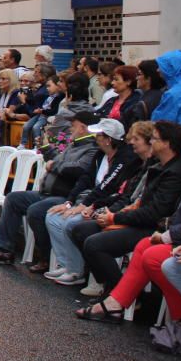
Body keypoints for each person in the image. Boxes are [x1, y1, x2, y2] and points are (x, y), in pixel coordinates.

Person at [75, 122, 181, 323]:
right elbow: (135, 199)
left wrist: (116, 217)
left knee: (145, 253)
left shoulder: (178, 172)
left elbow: (161, 213)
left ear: (166, 143)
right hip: (166, 229)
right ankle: (117, 299)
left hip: (158, 228)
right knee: (83, 230)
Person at [0, 111, 100, 266]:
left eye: (73, 125)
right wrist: (47, 148)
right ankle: (5, 250)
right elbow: (57, 161)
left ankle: (46, 257)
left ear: (83, 128)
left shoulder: (91, 149)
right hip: (47, 193)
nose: (70, 129)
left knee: (36, 211)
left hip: (65, 196)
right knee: (14, 198)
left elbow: (79, 169)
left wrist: (55, 165)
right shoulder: (74, 144)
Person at [42, 118, 141, 285]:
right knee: (52, 217)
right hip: (90, 200)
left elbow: (106, 186)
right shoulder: (99, 154)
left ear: (109, 139)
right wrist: (69, 202)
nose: (96, 138)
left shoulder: (125, 158)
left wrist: (84, 206)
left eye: (99, 135)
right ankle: (66, 264)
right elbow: (85, 179)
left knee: (70, 223)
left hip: (108, 204)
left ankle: (76, 271)